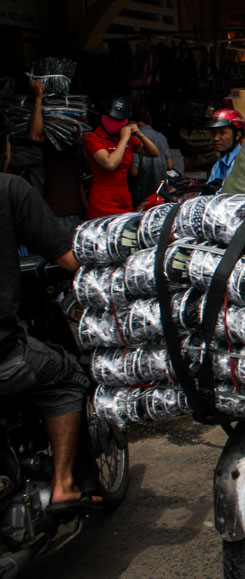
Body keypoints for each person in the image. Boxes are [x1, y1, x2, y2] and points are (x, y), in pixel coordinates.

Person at [0, 116, 99, 515]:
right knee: (68, 377)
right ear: (5, 147)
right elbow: (67, 257)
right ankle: (63, 485)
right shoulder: (10, 188)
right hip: (5, 354)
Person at [26, 79, 87, 233]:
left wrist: (39, 98)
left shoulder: (73, 140)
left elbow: (34, 136)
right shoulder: (53, 142)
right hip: (61, 208)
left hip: (64, 209)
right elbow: (35, 136)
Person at [82, 96, 159, 219]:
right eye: (112, 119)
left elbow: (154, 153)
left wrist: (140, 134)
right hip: (103, 203)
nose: (115, 122)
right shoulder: (92, 139)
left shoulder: (126, 139)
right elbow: (110, 164)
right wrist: (124, 139)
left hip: (124, 201)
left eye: (119, 120)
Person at [130, 120, 173, 207]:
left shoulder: (134, 138)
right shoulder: (161, 136)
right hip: (161, 192)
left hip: (142, 195)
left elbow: (133, 172)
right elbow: (169, 166)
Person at [205, 108, 245, 189]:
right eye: (214, 133)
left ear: (237, 135)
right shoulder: (220, 162)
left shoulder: (243, 162)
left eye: (222, 133)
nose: (216, 138)